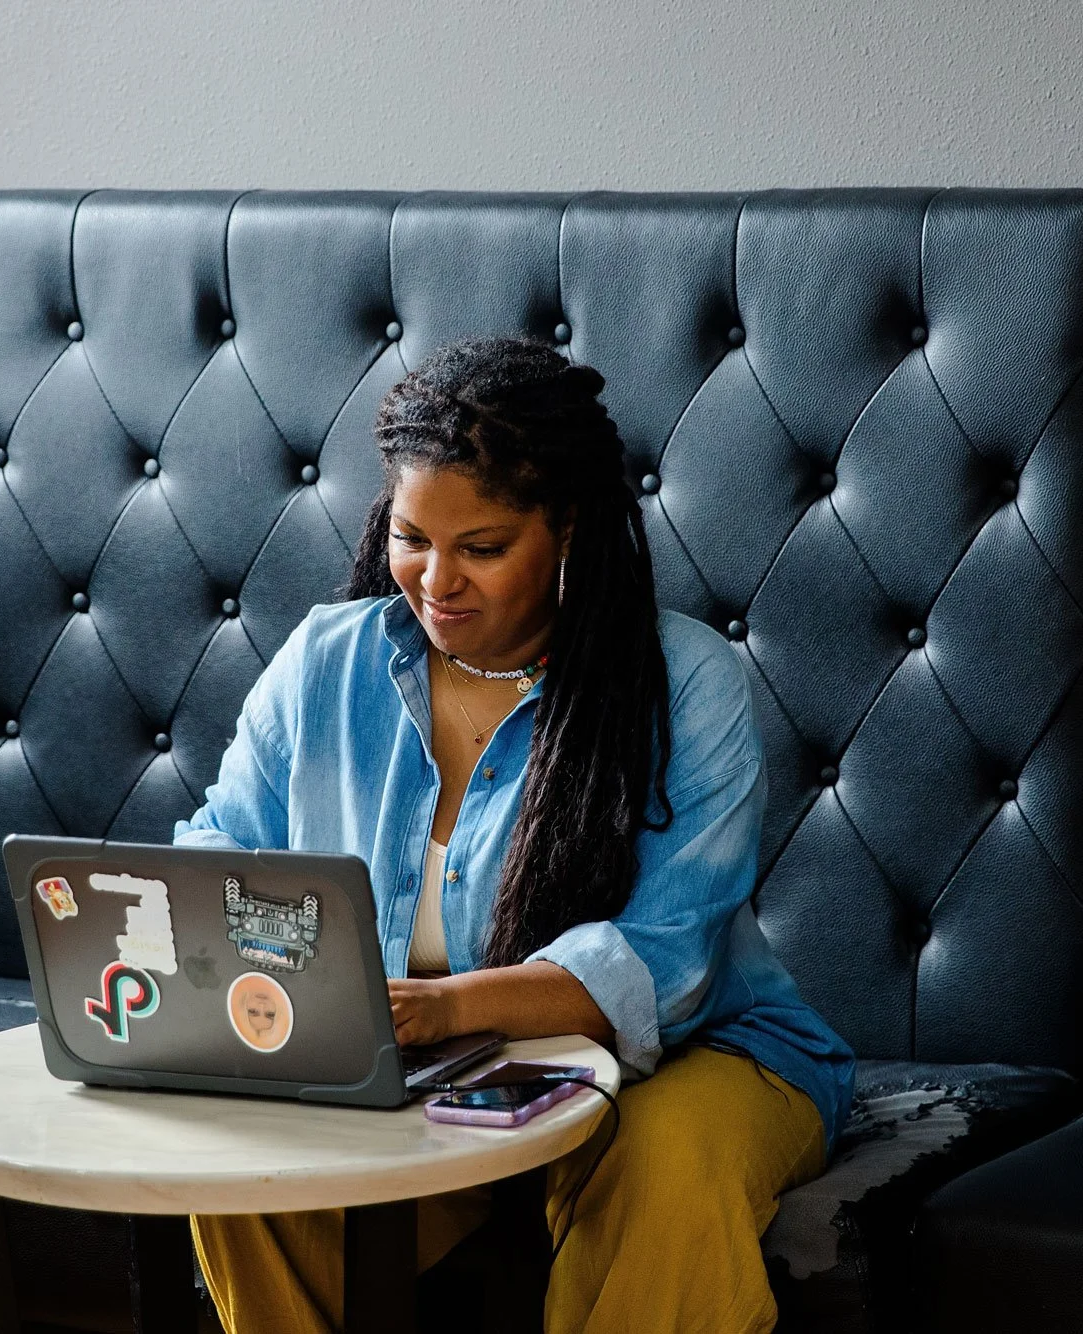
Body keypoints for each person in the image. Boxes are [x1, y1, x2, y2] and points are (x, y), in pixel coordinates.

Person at [175, 335, 856, 1333]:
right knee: (251, 1169)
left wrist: (439, 1009)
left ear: (566, 529)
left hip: (700, 1053)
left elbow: (663, 963)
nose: (434, 580)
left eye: (481, 548)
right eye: (411, 537)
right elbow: (219, 850)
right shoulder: (326, 660)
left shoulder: (679, 681)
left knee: (659, 1163)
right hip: (429, 1072)